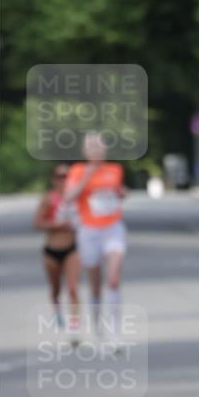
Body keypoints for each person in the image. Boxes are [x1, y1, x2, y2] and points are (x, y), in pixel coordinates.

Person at [64, 132, 128, 337]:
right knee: (95, 284)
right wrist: (87, 177)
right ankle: (97, 322)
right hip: (89, 231)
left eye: (99, 147)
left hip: (113, 228)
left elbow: (117, 192)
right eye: (91, 147)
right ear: (84, 151)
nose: (96, 151)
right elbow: (68, 196)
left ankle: (115, 330)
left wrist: (122, 193)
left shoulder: (115, 169)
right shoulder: (77, 170)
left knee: (113, 279)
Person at [33, 163, 81, 336]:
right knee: (56, 289)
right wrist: (57, 224)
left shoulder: (78, 199)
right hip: (51, 251)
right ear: (54, 180)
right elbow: (37, 223)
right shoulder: (49, 198)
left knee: (73, 288)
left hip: (72, 249)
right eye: (60, 177)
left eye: (67, 176)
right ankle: (57, 310)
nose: (64, 180)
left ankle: (74, 327)